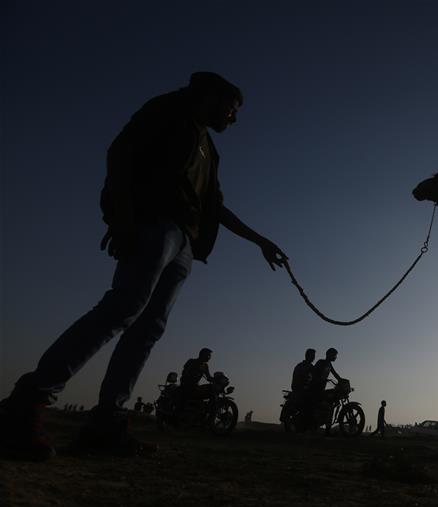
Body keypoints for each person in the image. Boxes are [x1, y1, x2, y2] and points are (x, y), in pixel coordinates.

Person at [0, 72, 288, 460]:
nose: (234, 119)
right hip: (155, 225)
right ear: (210, 97)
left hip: (185, 242)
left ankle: (107, 425)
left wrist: (259, 241)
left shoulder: (209, 149)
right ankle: (26, 405)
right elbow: (121, 155)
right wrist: (120, 218)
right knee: (123, 307)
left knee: (148, 328)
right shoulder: (167, 110)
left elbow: (213, 206)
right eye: (232, 110)